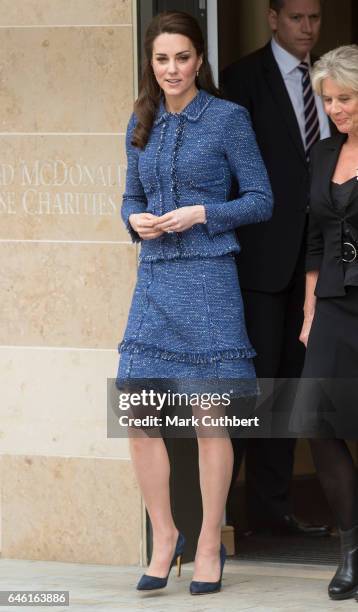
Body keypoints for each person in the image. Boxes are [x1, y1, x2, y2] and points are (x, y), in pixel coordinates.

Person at [116, 11, 273, 596]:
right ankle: (166, 537)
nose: (172, 69)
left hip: (209, 282)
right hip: (154, 282)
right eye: (162, 59)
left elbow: (262, 199)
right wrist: (136, 219)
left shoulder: (228, 119)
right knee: (138, 415)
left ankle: (210, 542)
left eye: (182, 57)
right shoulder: (140, 120)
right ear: (150, 65)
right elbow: (130, 196)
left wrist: (203, 212)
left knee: (210, 421)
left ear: (199, 61)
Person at [221, 0, 331, 535]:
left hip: (322, 260)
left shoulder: (333, 78)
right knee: (254, 385)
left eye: (314, 18)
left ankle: (273, 508)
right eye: (296, 18)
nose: (307, 28)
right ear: (272, 18)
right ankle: (221, 511)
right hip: (262, 261)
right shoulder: (242, 78)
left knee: (293, 384)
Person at [291, 44, 358, 601]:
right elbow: (315, 236)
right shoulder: (322, 153)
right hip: (334, 303)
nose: (335, 108)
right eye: (329, 100)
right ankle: (352, 551)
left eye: (346, 98)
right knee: (318, 418)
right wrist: (311, 310)